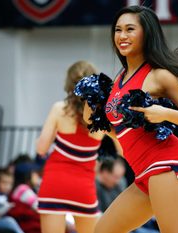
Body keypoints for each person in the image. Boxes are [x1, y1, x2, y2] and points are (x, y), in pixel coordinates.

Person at [85, 5, 178, 233]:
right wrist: (94, 118)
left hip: (167, 165)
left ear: (146, 34)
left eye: (130, 29)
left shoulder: (159, 75)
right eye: (118, 29)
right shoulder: (119, 80)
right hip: (143, 173)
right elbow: (121, 136)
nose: (122, 36)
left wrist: (165, 113)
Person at [36, 61, 105, 233]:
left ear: (69, 83)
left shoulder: (59, 109)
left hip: (54, 182)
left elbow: (41, 149)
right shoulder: (103, 116)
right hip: (84, 187)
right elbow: (123, 149)